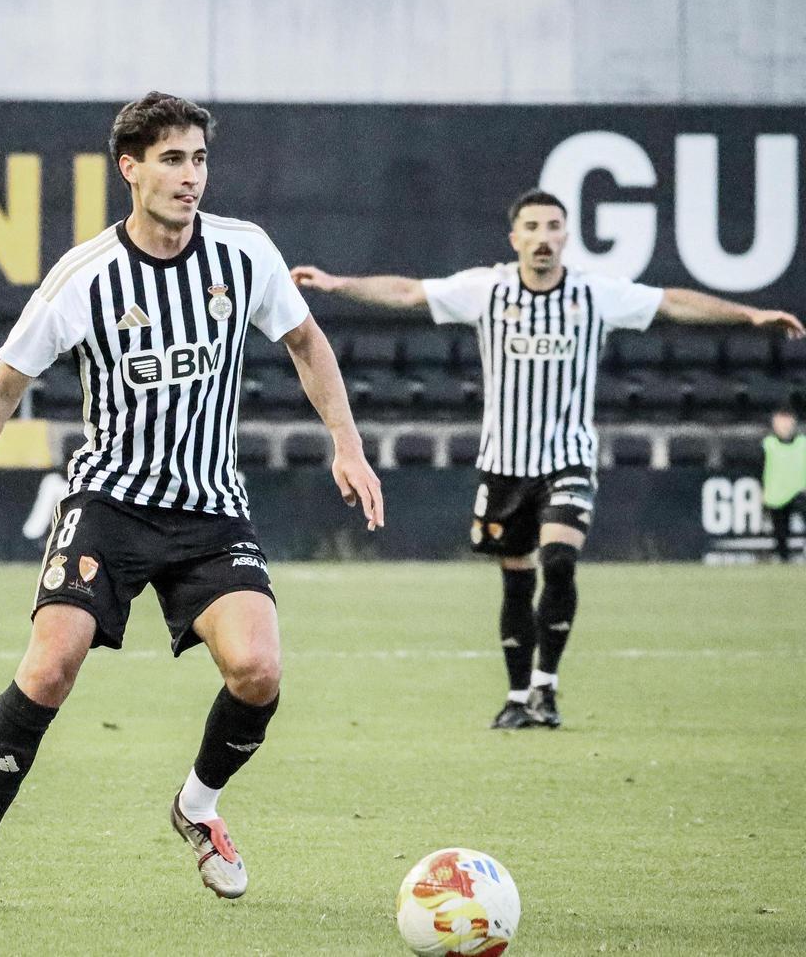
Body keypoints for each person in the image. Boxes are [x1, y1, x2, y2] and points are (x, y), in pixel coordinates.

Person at [0, 92, 383, 913]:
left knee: (259, 669)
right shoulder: (85, 276)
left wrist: (348, 442)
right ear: (130, 168)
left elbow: (307, 342)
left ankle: (197, 806)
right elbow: (1, 390)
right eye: (171, 159)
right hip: (110, 503)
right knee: (52, 665)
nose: (189, 175)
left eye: (199, 158)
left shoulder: (245, 254)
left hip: (209, 509)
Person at [291, 188, 804, 730]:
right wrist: (338, 283)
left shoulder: (593, 294)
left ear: (566, 235)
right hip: (504, 464)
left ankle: (546, 689)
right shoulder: (486, 289)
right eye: (531, 227)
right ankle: (517, 697)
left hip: (568, 458)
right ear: (515, 238)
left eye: (553, 226)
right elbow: (408, 292)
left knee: (557, 562)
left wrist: (749, 315)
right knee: (515, 580)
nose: (542, 237)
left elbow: (671, 301)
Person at [762, 408, 806, 562]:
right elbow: (761, 467)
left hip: (800, 491)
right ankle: (784, 559)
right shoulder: (769, 443)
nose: (784, 426)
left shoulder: (802, 442)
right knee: (781, 530)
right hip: (776, 493)